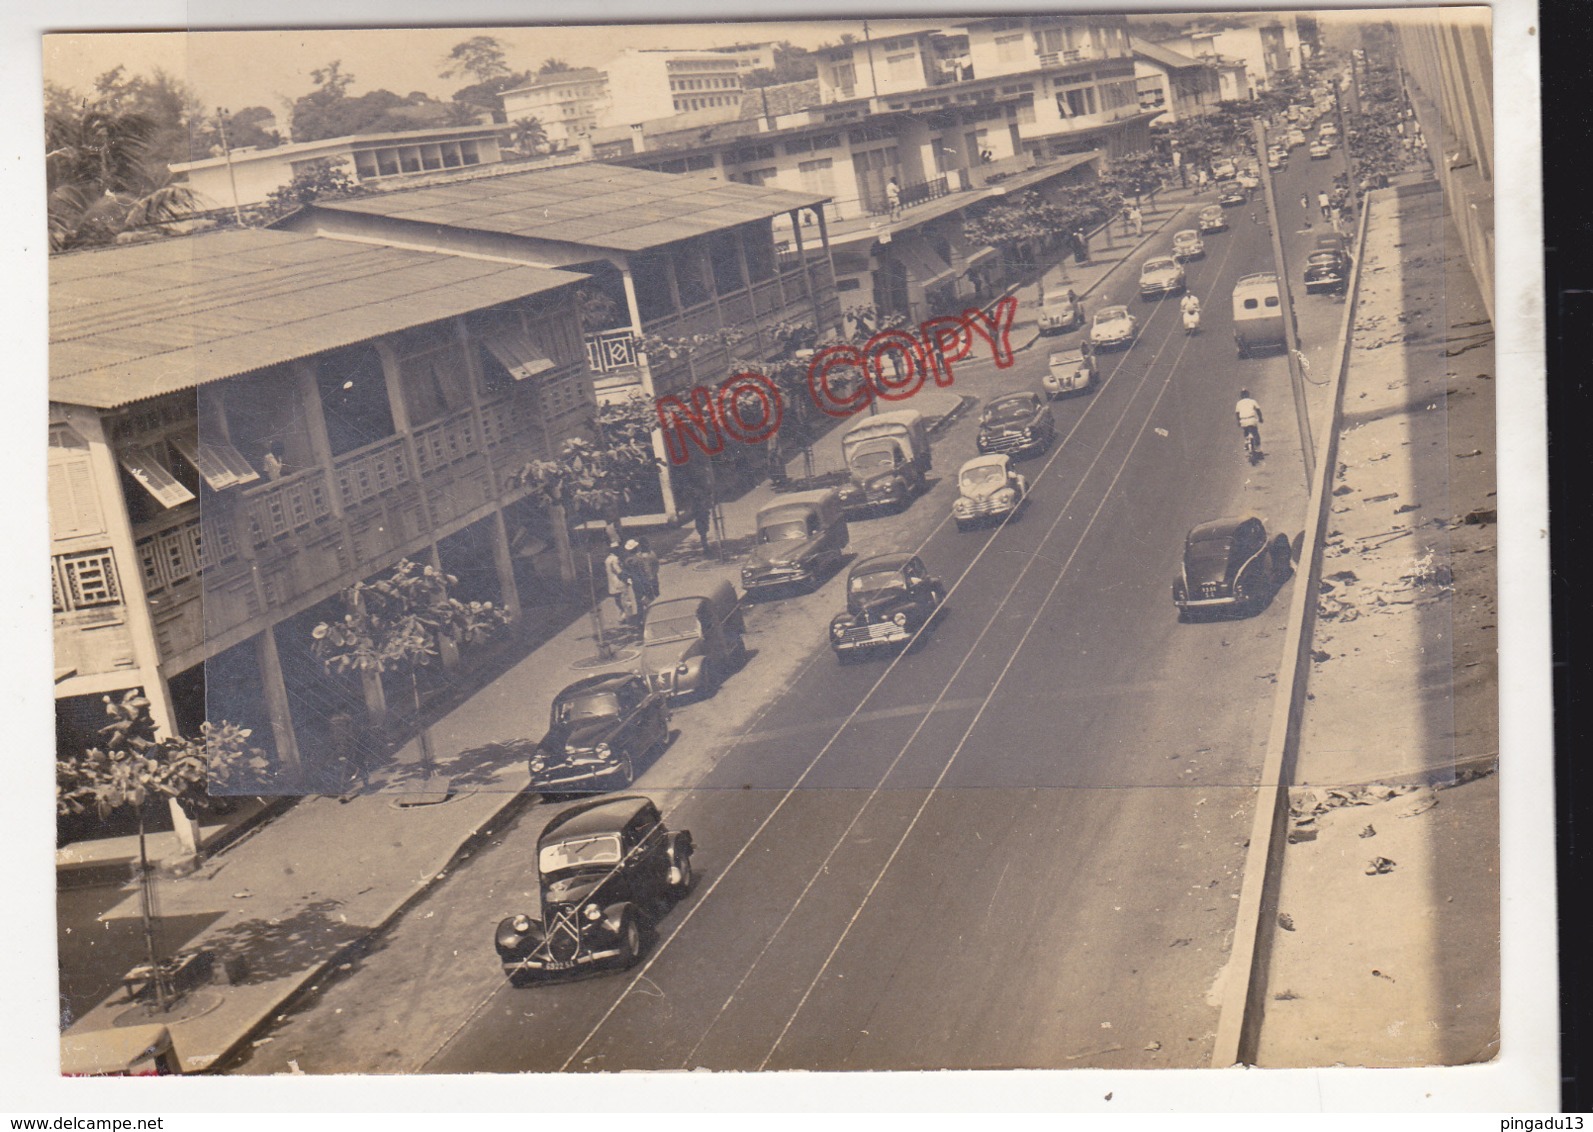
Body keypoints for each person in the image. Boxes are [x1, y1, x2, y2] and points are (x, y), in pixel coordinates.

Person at [604, 543, 633, 623]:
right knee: (624, 600)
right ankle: (627, 617)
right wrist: (626, 578)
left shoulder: (607, 559)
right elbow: (618, 571)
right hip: (619, 582)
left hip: (612, 584)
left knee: (618, 602)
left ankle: (621, 616)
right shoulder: (615, 559)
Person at [631, 536, 661, 608]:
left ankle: (658, 605)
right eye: (643, 545)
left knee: (655, 592)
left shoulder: (650, 554)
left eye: (646, 544)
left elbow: (656, 564)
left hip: (652, 577)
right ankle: (654, 606)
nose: (645, 546)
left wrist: (654, 573)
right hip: (647, 578)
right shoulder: (639, 556)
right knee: (650, 593)